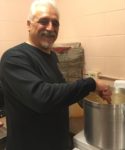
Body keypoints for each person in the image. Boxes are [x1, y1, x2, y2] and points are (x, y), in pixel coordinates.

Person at [0, 0, 112, 150]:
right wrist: (91, 83)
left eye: (55, 23)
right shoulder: (13, 58)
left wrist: (87, 97)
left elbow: (59, 88)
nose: (50, 28)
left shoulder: (51, 56)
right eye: (44, 21)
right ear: (28, 24)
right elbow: (42, 98)